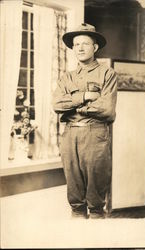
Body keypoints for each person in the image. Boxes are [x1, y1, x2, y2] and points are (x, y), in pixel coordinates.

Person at [53, 23, 117, 219]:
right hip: (70, 135)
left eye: (85, 44)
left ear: (95, 48)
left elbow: (107, 110)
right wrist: (84, 97)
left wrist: (74, 107)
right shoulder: (66, 78)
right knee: (75, 198)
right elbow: (56, 104)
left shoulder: (107, 74)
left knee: (96, 199)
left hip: (95, 135)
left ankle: (96, 240)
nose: (79, 48)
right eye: (76, 44)